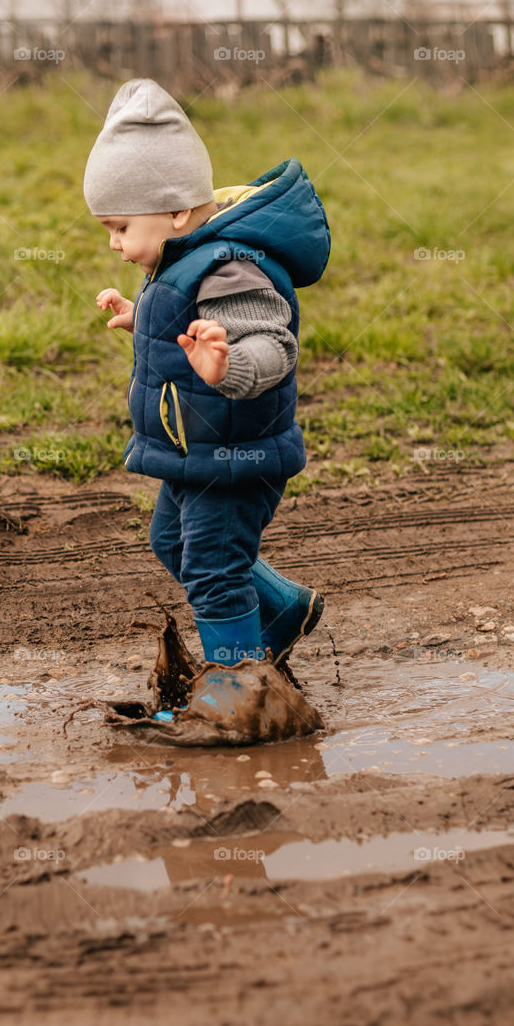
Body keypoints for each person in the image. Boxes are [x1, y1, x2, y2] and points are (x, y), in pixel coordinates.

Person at [83, 77, 330, 687]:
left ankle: (239, 692)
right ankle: (284, 610)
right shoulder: (180, 259)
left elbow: (274, 344)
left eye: (119, 226)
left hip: (236, 459)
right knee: (173, 545)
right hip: (196, 453)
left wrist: (230, 368)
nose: (114, 244)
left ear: (172, 210)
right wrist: (144, 318)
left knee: (214, 570)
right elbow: (191, 324)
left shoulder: (229, 267)